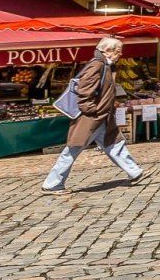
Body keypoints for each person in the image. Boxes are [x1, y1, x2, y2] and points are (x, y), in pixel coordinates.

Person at [41, 37, 142, 194]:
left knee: (114, 143)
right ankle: (52, 183)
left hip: (101, 116)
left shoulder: (104, 65)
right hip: (92, 117)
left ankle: (134, 171)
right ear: (107, 51)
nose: (120, 54)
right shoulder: (97, 65)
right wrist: (91, 109)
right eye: (117, 51)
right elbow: (85, 88)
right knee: (73, 149)